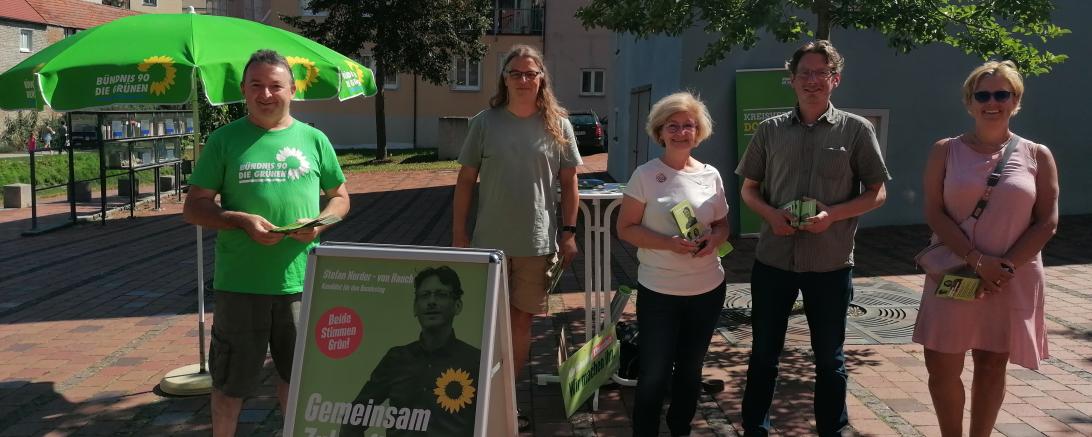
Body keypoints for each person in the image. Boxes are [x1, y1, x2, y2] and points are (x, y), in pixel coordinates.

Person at [182, 49, 350, 437]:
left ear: (293, 89)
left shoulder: (314, 139)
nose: (266, 94)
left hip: (302, 283)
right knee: (229, 384)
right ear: (243, 90)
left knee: (297, 380)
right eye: (256, 85)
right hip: (241, 284)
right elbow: (194, 208)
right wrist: (240, 220)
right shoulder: (224, 141)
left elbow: (340, 197)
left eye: (276, 85)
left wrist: (320, 223)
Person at [735, 40, 890, 437]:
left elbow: (877, 192)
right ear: (791, 80)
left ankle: (831, 431)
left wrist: (832, 215)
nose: (812, 80)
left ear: (835, 79)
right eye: (804, 72)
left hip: (830, 263)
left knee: (829, 360)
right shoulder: (770, 131)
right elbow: (749, 189)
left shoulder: (857, 130)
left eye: (821, 72)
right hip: (774, 260)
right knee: (764, 355)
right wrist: (770, 215)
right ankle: (755, 429)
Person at [912, 60, 1058, 437]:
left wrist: (1002, 267)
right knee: (942, 367)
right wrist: (978, 261)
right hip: (955, 273)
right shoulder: (945, 151)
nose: (992, 102)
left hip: (1008, 279)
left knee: (992, 367)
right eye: (983, 94)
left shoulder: (1037, 155)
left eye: (1001, 94)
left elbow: (1046, 222)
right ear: (969, 102)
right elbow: (934, 212)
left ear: (1015, 100)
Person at [451, 44, 581, 430]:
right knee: (484, 325)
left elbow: (570, 183)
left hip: (535, 244)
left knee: (520, 325)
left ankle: (504, 403)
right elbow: (464, 181)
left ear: (541, 79)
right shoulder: (484, 122)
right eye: (515, 73)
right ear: (504, 78)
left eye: (530, 73)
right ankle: (476, 403)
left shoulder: (558, 124)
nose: (523, 80)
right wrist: (459, 234)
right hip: (488, 245)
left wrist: (569, 234)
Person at [616, 91, 730, 437]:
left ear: (699, 132)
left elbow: (723, 224)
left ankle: (680, 428)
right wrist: (668, 244)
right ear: (660, 132)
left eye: (689, 126)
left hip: (707, 288)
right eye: (674, 126)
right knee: (654, 371)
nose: (682, 132)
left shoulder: (711, 175)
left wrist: (716, 239)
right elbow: (625, 229)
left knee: (691, 369)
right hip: (660, 290)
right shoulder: (645, 175)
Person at [341, 266, 481, 437]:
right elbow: (354, 416)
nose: (432, 302)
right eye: (424, 295)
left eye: (441, 294)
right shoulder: (396, 359)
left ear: (457, 306)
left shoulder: (475, 361)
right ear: (415, 308)